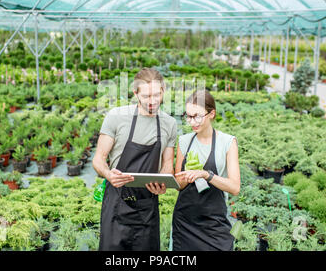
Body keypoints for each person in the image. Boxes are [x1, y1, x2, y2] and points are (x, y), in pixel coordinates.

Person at [93, 68, 177, 251]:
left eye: (157, 95)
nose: (153, 101)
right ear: (135, 94)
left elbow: (168, 163)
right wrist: (108, 174)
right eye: (147, 96)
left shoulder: (169, 123)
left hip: (147, 207)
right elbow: (98, 159)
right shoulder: (116, 117)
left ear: (163, 91)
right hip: (116, 204)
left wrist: (163, 181)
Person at [171, 89, 240, 251]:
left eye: (197, 116)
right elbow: (179, 185)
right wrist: (183, 177)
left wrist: (206, 174)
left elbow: (235, 188)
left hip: (214, 224)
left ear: (212, 114)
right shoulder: (184, 142)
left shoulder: (228, 143)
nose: (192, 122)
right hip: (185, 222)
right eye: (188, 116)